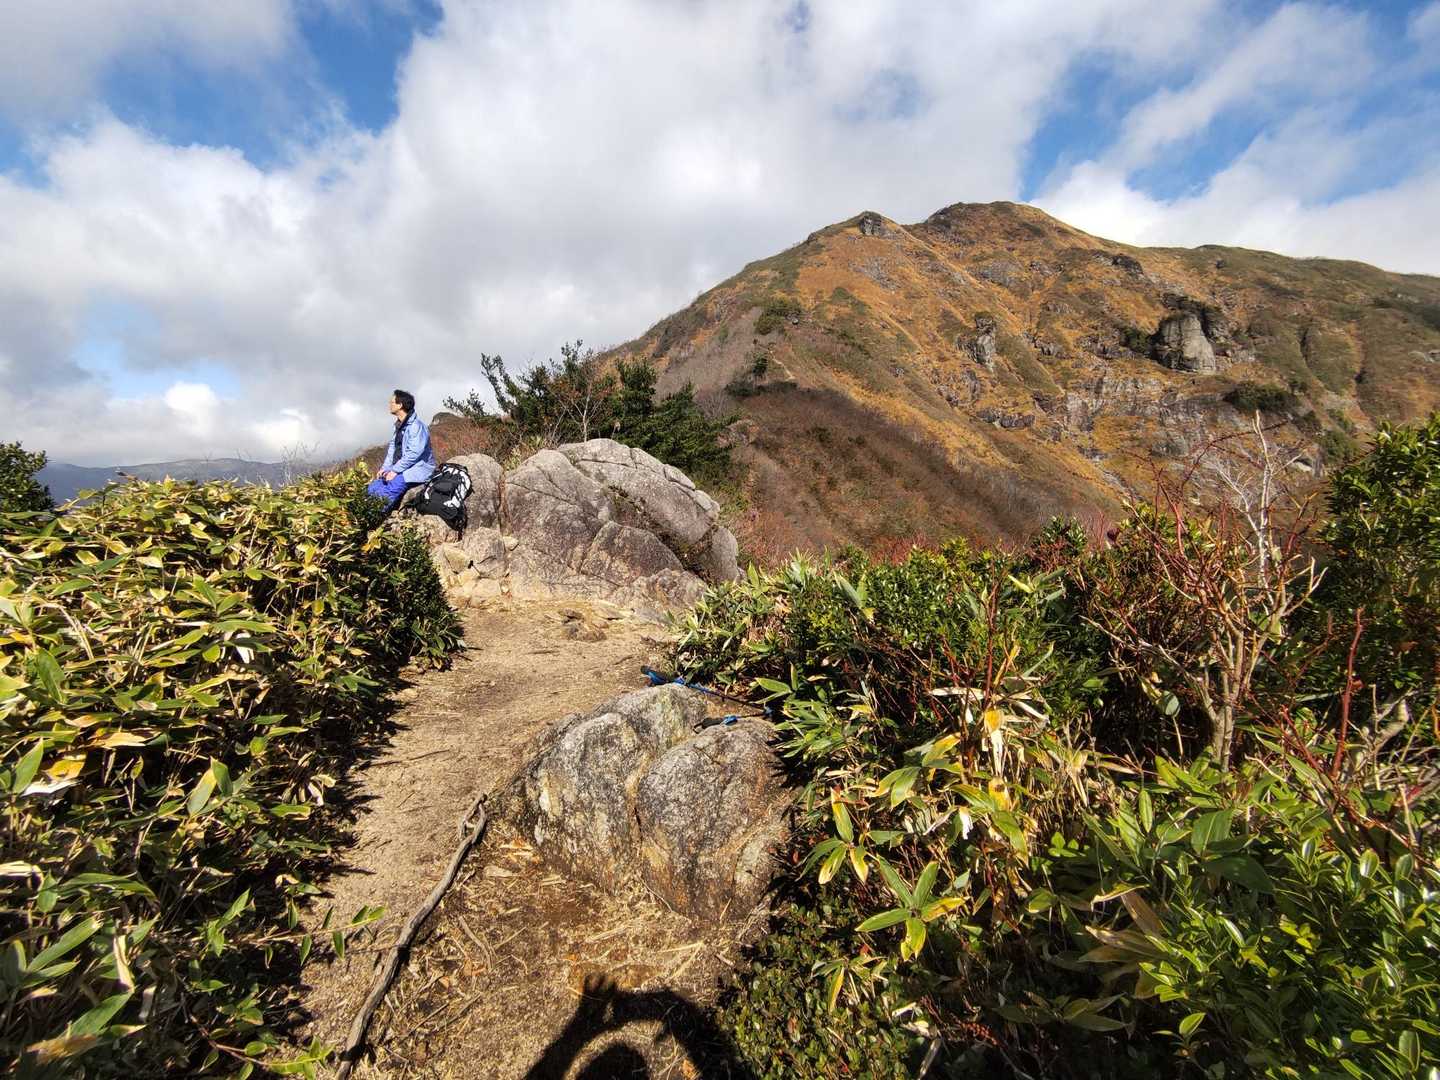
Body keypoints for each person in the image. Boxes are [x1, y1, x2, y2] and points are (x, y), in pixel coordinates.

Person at [366, 389, 437, 512]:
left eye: (392, 402)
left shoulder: (416, 427)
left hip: (417, 469)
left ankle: (375, 515)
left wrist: (395, 471)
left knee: (391, 488)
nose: (389, 404)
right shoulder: (399, 426)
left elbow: (413, 453)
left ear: (400, 405)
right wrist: (385, 468)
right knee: (374, 486)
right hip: (402, 468)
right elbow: (392, 450)